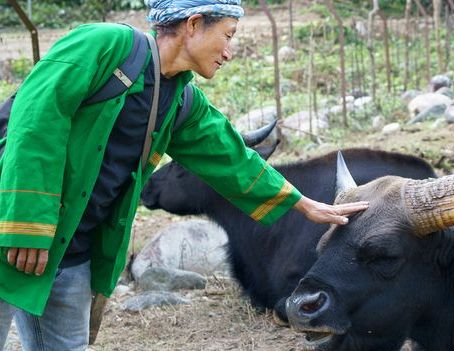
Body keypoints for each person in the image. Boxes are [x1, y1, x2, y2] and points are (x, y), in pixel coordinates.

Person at [0, 1, 368, 350]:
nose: (229, 51)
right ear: (193, 25)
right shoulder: (103, 45)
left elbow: (233, 159)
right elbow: (35, 121)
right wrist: (28, 226)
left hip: (71, 254)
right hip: (10, 229)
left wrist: (304, 205)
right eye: (228, 35)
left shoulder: (181, 100)